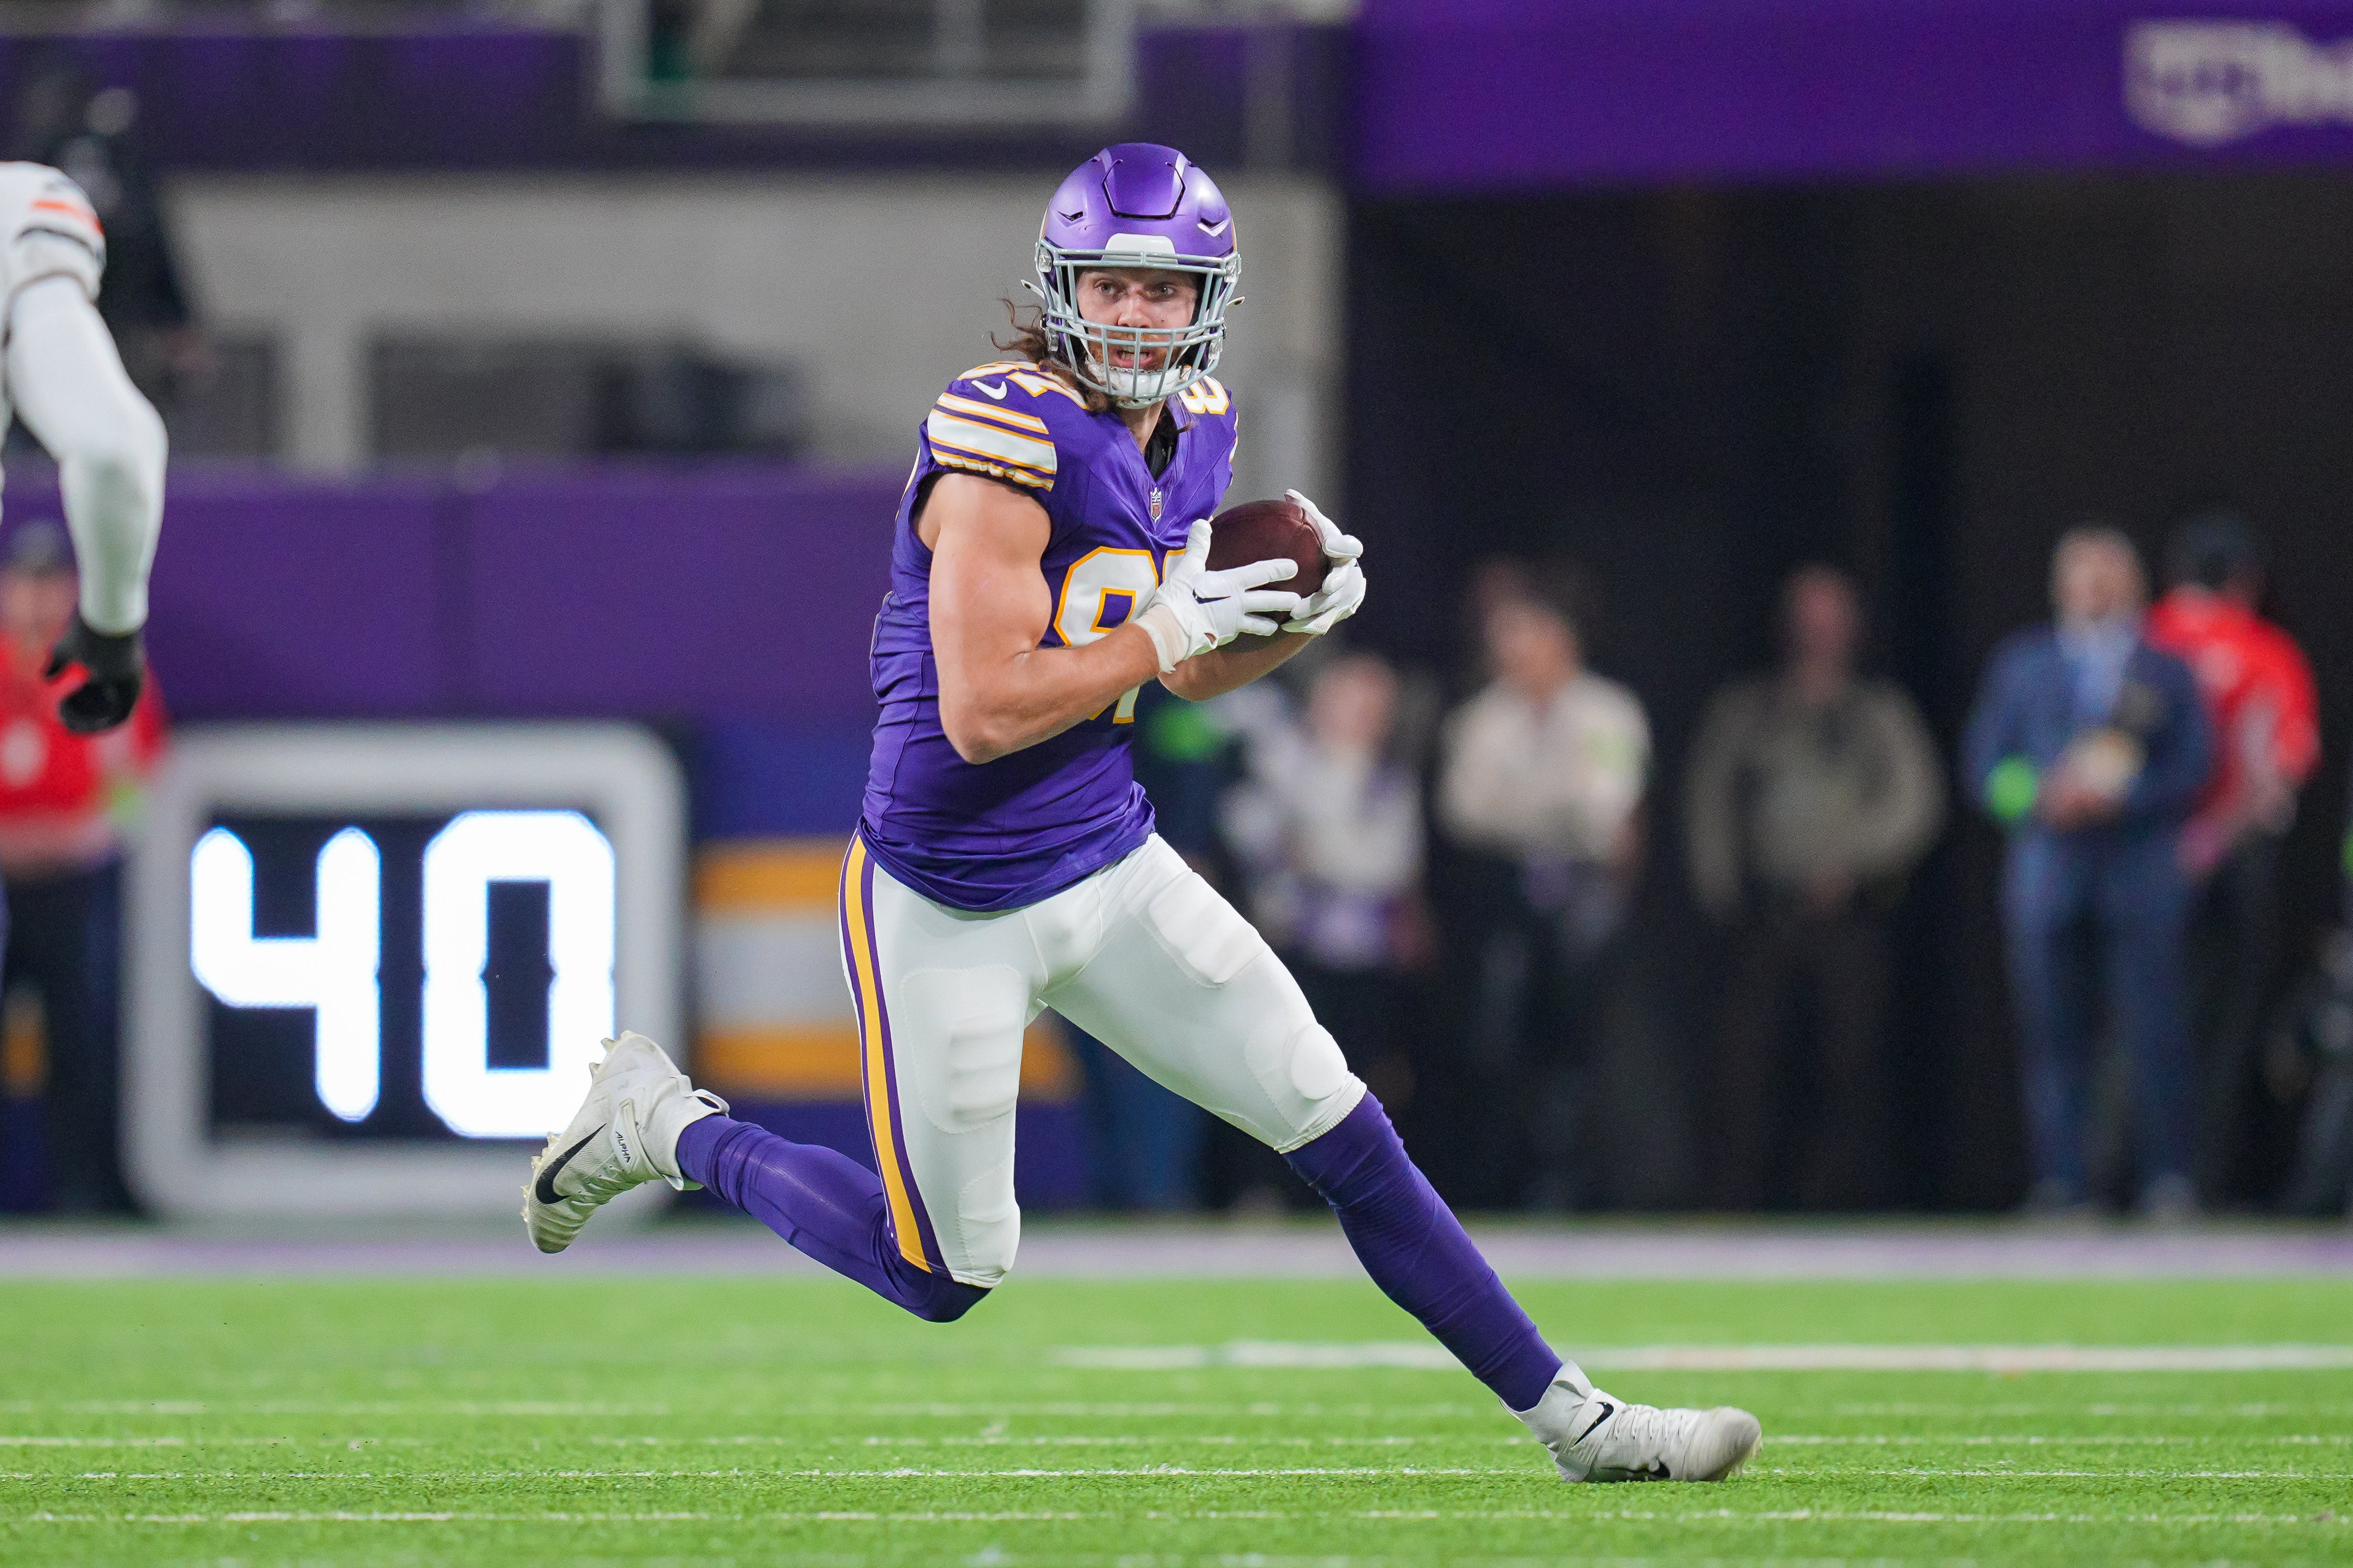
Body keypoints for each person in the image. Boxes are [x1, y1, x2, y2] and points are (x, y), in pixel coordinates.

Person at [524, 143, 1758, 1484]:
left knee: (1341, 1124)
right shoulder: (1001, 436)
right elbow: (983, 710)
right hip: (946, 892)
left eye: (1159, 289)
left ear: (1205, 302)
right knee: (944, 1269)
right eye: (1107, 283)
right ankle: (667, 1124)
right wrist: (1175, 618)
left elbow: (1176, 670)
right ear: (1062, 288)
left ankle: (1579, 1420)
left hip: (1108, 861)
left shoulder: (1199, 425)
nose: (1129, 312)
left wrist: (1292, 625)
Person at [1964, 528, 2211, 1218]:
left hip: (2137, 871)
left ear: (2132, 584)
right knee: (2054, 1034)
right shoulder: (2023, 665)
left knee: (2154, 1028)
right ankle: (2063, 1182)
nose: (2093, 590)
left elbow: (2193, 764)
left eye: (2107, 575)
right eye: (2080, 576)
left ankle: (2167, 1178)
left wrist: (2124, 798)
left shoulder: (2164, 670)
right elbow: (1986, 767)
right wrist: (2040, 797)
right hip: (2050, 872)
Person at [1683, 566, 1945, 1209]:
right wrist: (1723, 890)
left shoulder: (1877, 713)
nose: (1818, 631)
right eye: (1807, 616)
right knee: (1748, 1062)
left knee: (1850, 1060)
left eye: (1831, 617)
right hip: (1765, 912)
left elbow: (1913, 802)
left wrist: (1853, 864)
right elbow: (1709, 800)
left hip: (1850, 911)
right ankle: (1738, 1196)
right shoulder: (1749, 710)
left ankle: (1837, 1196)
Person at [1438, 583, 1648, 1209]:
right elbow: (1465, 810)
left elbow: (1607, 803)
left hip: (1581, 889)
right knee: (1496, 1036)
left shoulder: (1609, 713)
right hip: (1504, 890)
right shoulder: (1481, 719)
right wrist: (1557, 806)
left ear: (1560, 640)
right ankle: (1496, 1183)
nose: (1510, 652)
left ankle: (1564, 1185)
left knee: (1576, 1039)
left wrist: (1525, 805)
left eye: (1523, 637)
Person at [2142, 513, 2321, 1203]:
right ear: (2247, 581)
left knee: (2141, 1013)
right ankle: (2190, 1180)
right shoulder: (2266, 649)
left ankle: (2108, 1175)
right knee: (2221, 1023)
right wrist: (2217, 833)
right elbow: (2285, 763)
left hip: (2149, 851)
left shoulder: (2147, 637)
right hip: (2233, 850)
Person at [0, 521, 165, 1211]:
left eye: (49, 583)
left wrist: (82, 836)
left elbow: (136, 786)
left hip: (74, 883)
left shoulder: (101, 670)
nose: (36, 598)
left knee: (83, 1034)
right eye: (23, 582)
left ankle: (85, 1186)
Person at [1223, 651, 1427, 1101]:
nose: (1356, 719)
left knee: (1348, 1071)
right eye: (1346, 704)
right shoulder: (1283, 759)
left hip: (1362, 953)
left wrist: (1314, 850)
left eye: (1371, 710)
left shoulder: (1390, 781)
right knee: (1279, 1068)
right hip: (1287, 941)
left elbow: (1390, 864)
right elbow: (1245, 826)